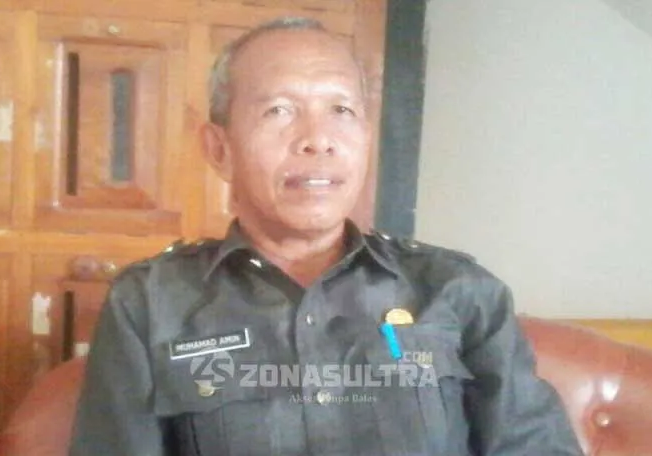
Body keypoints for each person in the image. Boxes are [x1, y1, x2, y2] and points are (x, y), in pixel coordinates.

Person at [69, 17, 584, 456]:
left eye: (341, 110)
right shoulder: (150, 303)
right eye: (279, 110)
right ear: (220, 149)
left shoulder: (459, 290)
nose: (318, 140)